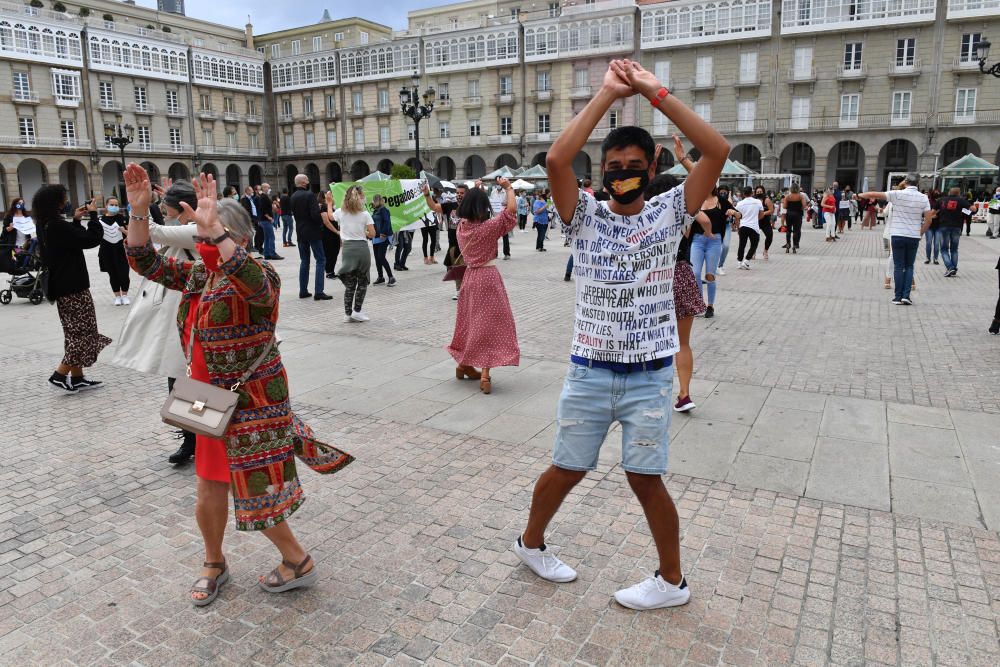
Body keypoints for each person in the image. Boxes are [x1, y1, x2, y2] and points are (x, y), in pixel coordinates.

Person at [515, 59, 728, 611]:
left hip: (651, 373)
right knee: (566, 468)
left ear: (653, 164)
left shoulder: (669, 211)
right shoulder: (582, 214)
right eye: (614, 165)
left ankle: (672, 582)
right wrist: (608, 95)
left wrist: (655, 92)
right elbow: (557, 159)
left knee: (646, 478)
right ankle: (531, 543)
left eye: (634, 164)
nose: (624, 173)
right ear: (602, 170)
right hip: (589, 368)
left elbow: (717, 150)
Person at [122, 165, 353, 606]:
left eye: (217, 234)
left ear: (240, 238)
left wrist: (217, 235)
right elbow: (144, 261)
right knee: (209, 485)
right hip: (207, 401)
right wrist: (138, 212)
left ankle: (297, 561)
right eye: (202, 234)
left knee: (256, 491)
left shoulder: (260, 274)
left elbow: (258, 289)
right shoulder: (200, 277)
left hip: (252, 407)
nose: (206, 241)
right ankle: (214, 562)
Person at [114, 179, 202, 465]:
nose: (164, 210)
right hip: (177, 316)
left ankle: (200, 438)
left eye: (167, 206)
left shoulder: (197, 229)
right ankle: (191, 438)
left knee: (192, 379)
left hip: (193, 316)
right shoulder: (186, 227)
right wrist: (156, 202)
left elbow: (155, 232)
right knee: (177, 376)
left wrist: (141, 204)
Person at [441, 177, 520, 394]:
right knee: (492, 325)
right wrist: (508, 188)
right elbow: (511, 211)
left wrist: (477, 191)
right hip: (488, 276)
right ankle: (485, 374)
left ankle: (464, 364)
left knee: (470, 322)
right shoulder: (488, 227)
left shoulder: (461, 228)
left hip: (469, 278)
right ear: (482, 207)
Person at [34, 186, 110, 393]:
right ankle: (59, 375)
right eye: (64, 198)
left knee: (74, 333)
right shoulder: (57, 226)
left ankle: (77, 378)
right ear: (56, 202)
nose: (66, 201)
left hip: (64, 286)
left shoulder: (46, 224)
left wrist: (76, 220)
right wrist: (94, 215)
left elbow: (74, 237)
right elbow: (90, 240)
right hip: (72, 287)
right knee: (84, 333)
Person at [664, 144, 712, 411]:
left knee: (651, 338)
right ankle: (684, 394)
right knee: (682, 342)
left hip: (653, 277)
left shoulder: (648, 212)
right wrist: (683, 159)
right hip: (681, 274)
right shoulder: (685, 211)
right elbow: (704, 183)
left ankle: (652, 391)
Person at [860, 173, 933, 306]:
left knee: (898, 266)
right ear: (918, 183)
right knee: (909, 266)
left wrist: (860, 195)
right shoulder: (924, 198)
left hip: (898, 234)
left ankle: (897, 297)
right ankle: (906, 296)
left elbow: (875, 194)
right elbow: (928, 219)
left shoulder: (897, 194)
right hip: (913, 236)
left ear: (905, 182)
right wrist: (920, 233)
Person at [334, 185, 376, 322]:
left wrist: (329, 203)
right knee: (362, 282)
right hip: (362, 249)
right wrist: (363, 232)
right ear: (360, 197)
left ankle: (347, 314)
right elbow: (373, 233)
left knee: (350, 284)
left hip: (347, 249)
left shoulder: (340, 212)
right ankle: (357, 311)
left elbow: (330, 216)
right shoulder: (365, 215)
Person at [290, 173, 334, 300]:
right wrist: (320, 218)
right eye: (307, 179)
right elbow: (315, 215)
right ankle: (319, 291)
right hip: (313, 232)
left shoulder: (293, 196)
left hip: (300, 232)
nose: (309, 180)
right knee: (321, 260)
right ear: (303, 182)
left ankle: (303, 290)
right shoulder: (309, 195)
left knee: (304, 261)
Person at [426, 182, 470, 301]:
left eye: (462, 193)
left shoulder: (471, 207)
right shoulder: (450, 206)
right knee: (456, 269)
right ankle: (459, 290)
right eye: (457, 193)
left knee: (468, 270)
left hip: (468, 246)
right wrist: (426, 195)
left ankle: (467, 290)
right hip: (454, 245)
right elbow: (434, 207)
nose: (459, 195)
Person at [97, 197, 130, 306]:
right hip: (106, 251)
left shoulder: (122, 218)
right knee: (113, 274)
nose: (114, 207)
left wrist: (123, 230)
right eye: (112, 204)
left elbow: (131, 234)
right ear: (106, 205)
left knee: (124, 273)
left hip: (121, 250)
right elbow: (96, 236)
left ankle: (125, 295)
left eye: (116, 205)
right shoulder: (100, 220)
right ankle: (117, 297)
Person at [934, 186, 970, 278]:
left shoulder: (941, 200)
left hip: (944, 226)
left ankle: (950, 267)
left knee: (944, 249)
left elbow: (933, 212)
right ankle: (953, 268)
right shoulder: (962, 201)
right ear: (958, 193)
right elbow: (972, 209)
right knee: (954, 249)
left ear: (949, 192)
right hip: (957, 227)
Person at [735, 187, 764, 270]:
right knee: (754, 245)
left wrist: (738, 227)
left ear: (743, 194)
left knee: (742, 244)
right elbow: (762, 215)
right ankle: (746, 261)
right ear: (752, 192)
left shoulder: (740, 203)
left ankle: (739, 262)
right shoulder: (758, 202)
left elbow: (737, 217)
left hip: (743, 226)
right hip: (754, 226)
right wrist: (755, 218)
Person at [370, 194, 396, 286]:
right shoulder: (375, 210)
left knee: (381, 257)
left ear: (377, 201)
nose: (372, 202)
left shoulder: (383, 210)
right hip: (376, 237)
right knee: (377, 258)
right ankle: (380, 277)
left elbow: (387, 222)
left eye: (374, 200)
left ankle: (391, 277)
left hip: (383, 237)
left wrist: (383, 233)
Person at [319, 191, 341, 279]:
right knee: (330, 253)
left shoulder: (331, 207)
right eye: (331, 195)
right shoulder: (323, 207)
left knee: (335, 252)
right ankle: (329, 271)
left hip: (334, 234)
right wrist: (336, 231)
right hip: (328, 234)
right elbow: (326, 222)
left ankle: (331, 270)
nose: (332, 197)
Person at [781, 183, 807, 253]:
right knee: (796, 230)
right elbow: (804, 206)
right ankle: (795, 245)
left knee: (788, 230)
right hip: (798, 214)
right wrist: (800, 207)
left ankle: (788, 244)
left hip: (789, 214)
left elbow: (784, 206)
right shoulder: (801, 196)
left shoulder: (787, 196)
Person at [715, 184, 733, 275]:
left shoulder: (728, 201)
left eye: (725, 193)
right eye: (721, 192)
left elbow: (731, 206)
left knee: (725, 246)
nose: (722, 194)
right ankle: (714, 266)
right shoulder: (715, 200)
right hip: (716, 226)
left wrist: (729, 196)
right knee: (716, 247)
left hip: (727, 226)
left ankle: (720, 266)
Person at [754, 186, 775, 261]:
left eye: (760, 192)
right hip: (755, 221)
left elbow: (771, 210)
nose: (759, 193)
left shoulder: (767, 200)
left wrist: (763, 213)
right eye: (757, 192)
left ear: (763, 192)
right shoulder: (753, 200)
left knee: (769, 236)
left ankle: (765, 250)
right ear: (755, 193)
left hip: (765, 221)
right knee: (754, 237)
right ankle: (753, 252)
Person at [923, 189, 941, 266]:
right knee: (929, 243)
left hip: (938, 226)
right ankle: (928, 258)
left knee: (936, 243)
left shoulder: (941, 203)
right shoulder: (928, 202)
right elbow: (924, 213)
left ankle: (935, 258)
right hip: (929, 225)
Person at [421, 196, 439, 264]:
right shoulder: (421, 200)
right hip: (424, 223)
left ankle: (432, 257)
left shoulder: (432, 198)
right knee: (425, 240)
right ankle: (425, 258)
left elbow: (436, 206)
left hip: (433, 222)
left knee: (433, 240)